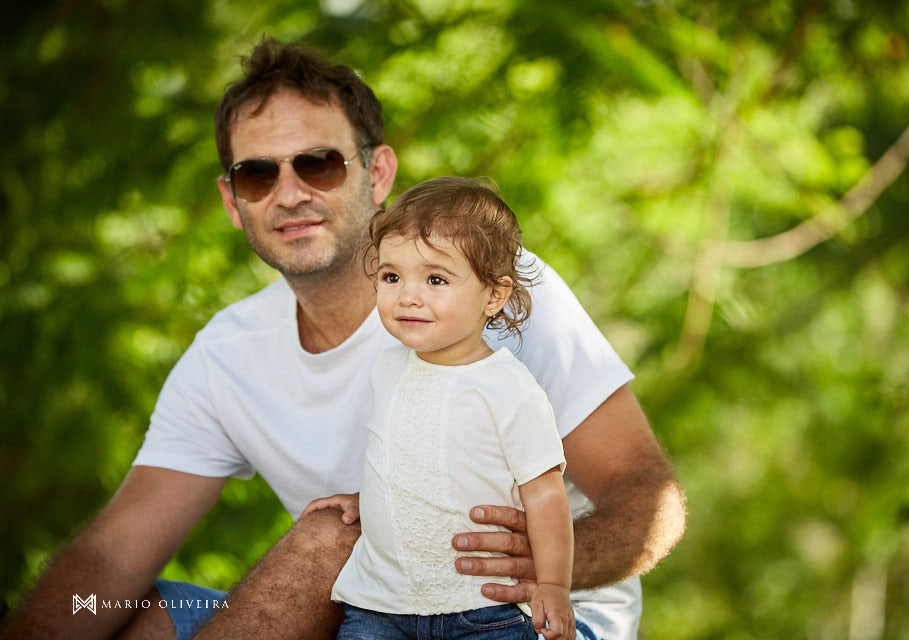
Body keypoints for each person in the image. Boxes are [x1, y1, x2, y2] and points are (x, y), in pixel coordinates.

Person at [2, 37, 685, 640]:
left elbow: (648, 496)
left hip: (525, 617)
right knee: (122, 607)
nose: (290, 192)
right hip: (375, 612)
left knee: (332, 538)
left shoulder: (489, 287)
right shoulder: (227, 353)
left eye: (319, 163)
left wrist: (544, 560)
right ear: (233, 203)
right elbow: (112, 553)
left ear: (378, 173)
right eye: (258, 174)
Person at [301, 176, 575, 640]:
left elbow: (545, 493)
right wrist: (369, 498)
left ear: (494, 295)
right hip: (380, 606)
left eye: (435, 279)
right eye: (392, 276)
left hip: (483, 608)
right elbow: (403, 456)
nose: (408, 295)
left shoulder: (510, 388)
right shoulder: (387, 367)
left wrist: (552, 583)